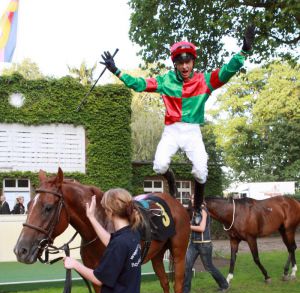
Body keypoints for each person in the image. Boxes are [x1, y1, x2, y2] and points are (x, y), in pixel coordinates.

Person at [100, 25, 255, 214]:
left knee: (200, 171)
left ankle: (197, 207)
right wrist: (116, 71)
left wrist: (244, 51)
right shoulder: (165, 81)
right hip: (172, 130)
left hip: (192, 131)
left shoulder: (204, 81)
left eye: (188, 62)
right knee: (159, 166)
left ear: (192, 62)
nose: (185, 67)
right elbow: (139, 84)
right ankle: (171, 182)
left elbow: (227, 71)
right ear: (175, 63)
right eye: (181, 63)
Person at [183, 203, 229, 293]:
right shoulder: (193, 211)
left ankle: (224, 285)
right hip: (193, 244)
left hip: (204, 244)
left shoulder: (203, 211)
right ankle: (185, 291)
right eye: (191, 199)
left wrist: (188, 227)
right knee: (187, 266)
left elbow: (202, 228)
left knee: (209, 267)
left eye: (193, 199)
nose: (192, 201)